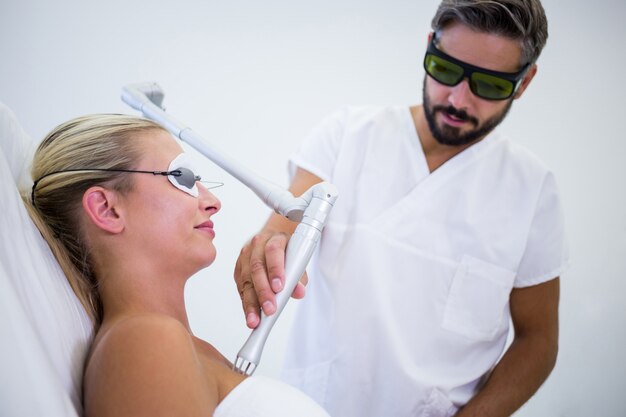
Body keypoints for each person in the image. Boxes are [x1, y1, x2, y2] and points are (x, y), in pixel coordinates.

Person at [233, 0, 568, 416]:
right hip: (316, 405)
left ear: (525, 81)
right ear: (430, 46)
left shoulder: (532, 191)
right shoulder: (347, 136)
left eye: (491, 85)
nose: (459, 100)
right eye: (445, 71)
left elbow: (538, 340)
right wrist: (268, 248)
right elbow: (283, 228)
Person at [26, 114, 330, 417]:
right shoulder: (145, 341)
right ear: (107, 209)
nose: (213, 201)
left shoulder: (180, 346)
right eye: (182, 177)